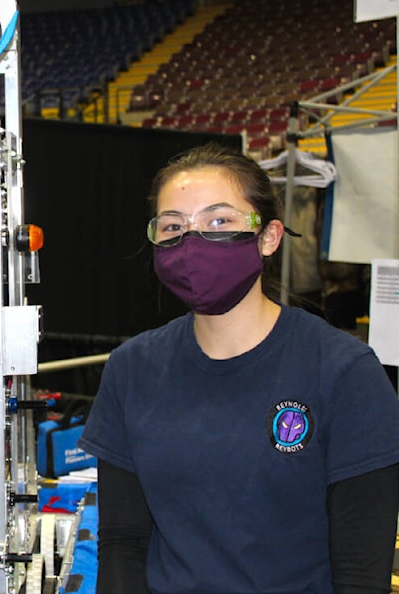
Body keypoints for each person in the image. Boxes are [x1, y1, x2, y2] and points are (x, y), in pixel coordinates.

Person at [77, 142, 399, 593]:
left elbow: (362, 573)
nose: (191, 241)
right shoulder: (133, 369)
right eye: (173, 226)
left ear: (268, 236)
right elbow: (123, 544)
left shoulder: (344, 372)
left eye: (219, 221)